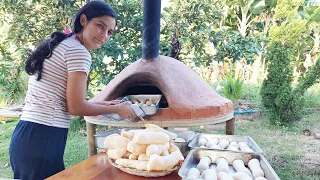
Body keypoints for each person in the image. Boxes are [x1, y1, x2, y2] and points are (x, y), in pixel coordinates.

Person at [9, 1, 136, 179]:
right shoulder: (79, 51)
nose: (104, 35)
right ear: (84, 20)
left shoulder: (65, 44)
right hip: (44, 137)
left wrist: (103, 103)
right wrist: (117, 109)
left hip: (28, 135)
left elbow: (64, 99)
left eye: (109, 32)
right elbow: (75, 108)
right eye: (100, 26)